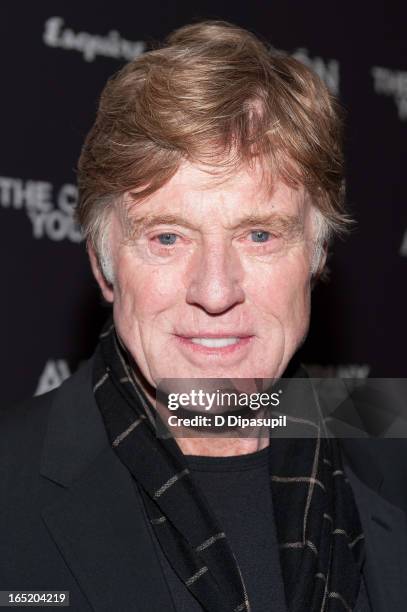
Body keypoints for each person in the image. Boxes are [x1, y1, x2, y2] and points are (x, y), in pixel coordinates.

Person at [1, 21, 406, 612]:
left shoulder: (388, 436)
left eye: (259, 234)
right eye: (167, 237)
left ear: (315, 256)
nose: (215, 291)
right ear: (103, 264)